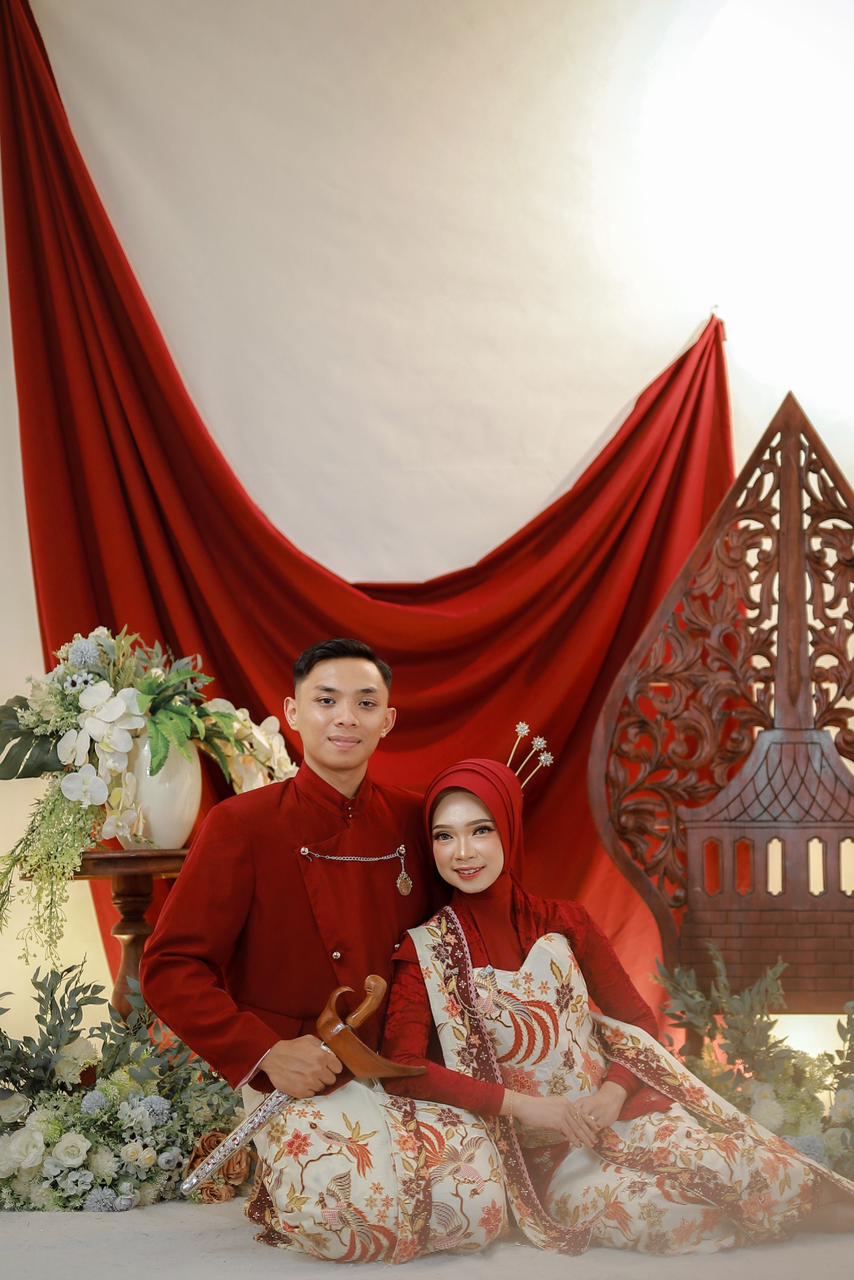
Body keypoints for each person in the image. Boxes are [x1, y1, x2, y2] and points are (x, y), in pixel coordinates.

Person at [381, 757, 854, 1255]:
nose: (462, 852)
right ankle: (785, 1218)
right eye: (444, 836)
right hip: (545, 1159)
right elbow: (402, 1069)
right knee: (668, 1214)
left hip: (624, 1114)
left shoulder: (564, 922)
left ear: (509, 829)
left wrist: (614, 1092)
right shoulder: (426, 950)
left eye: (481, 830)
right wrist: (526, 1107)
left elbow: (637, 1021)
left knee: (736, 1166)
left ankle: (825, 1219)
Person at [140, 640, 505, 1261]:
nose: (345, 718)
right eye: (327, 701)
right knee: (344, 1216)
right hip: (299, 1073)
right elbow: (170, 967)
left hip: (408, 1065)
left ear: (387, 719)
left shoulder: (417, 821)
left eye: (365, 703)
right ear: (292, 712)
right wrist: (266, 1052)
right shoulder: (240, 824)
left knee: (476, 1206)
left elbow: (464, 932)